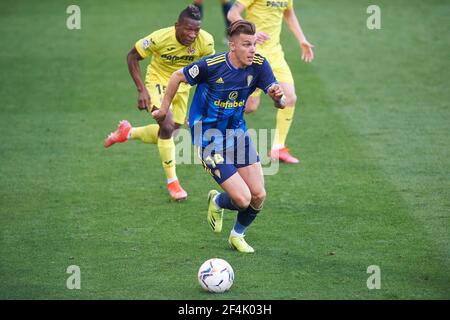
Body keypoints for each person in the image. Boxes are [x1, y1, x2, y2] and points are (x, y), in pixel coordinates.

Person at [152, 20, 285, 253]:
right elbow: (176, 77)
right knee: (242, 200)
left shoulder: (259, 64)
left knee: (258, 195)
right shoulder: (211, 66)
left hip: (237, 133)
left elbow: (281, 102)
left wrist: (277, 98)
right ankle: (217, 201)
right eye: (246, 44)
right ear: (232, 46)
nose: (252, 49)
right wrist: (164, 110)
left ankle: (237, 235)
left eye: (254, 44)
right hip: (208, 139)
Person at [103, 5, 215, 201]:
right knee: (167, 124)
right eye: (188, 29)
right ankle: (173, 182)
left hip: (183, 86)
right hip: (159, 82)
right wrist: (142, 90)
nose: (192, 34)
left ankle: (127, 132)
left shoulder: (205, 42)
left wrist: (201, 107)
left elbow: (209, 74)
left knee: (171, 132)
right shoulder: (159, 38)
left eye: (196, 30)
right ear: (176, 26)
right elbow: (132, 56)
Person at [227, 0, 314, 163]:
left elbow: (289, 15)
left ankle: (278, 147)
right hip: (252, 55)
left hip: (275, 55)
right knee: (249, 107)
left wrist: (302, 39)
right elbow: (232, 13)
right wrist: (253, 32)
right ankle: (213, 118)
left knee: (289, 98)